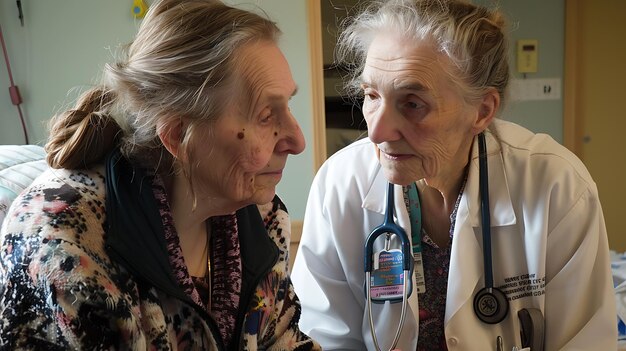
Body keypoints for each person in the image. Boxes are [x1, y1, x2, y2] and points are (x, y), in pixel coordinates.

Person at [291, 0, 617, 350]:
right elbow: (323, 338)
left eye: (413, 104)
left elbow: (584, 341)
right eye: (371, 95)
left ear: (482, 110)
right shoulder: (340, 185)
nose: (377, 132)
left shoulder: (558, 186)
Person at [0, 0, 321, 349]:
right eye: (265, 115)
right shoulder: (63, 244)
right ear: (177, 135)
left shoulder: (261, 219)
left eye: (287, 105)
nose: (297, 140)